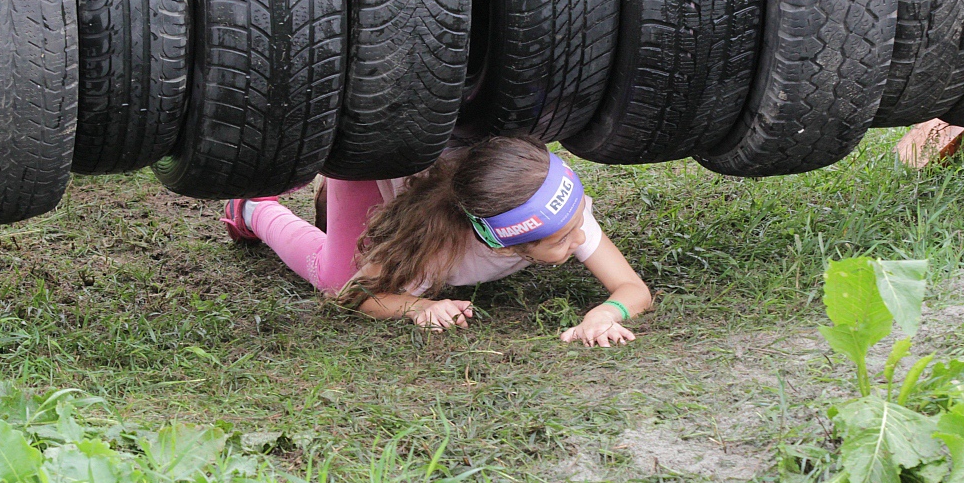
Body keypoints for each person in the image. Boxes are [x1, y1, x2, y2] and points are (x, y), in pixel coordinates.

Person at [219, 136, 651, 346]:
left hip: (441, 162)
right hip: (370, 158)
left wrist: (604, 314)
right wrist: (420, 306)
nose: (579, 237)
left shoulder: (555, 214)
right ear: (502, 243)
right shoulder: (436, 249)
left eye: (577, 221)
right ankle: (253, 209)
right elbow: (360, 296)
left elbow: (632, 289)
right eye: (561, 239)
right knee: (336, 276)